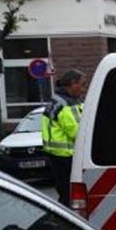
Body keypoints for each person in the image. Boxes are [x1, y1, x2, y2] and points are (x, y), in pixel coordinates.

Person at [42, 70, 86, 206]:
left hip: (56, 156)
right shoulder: (67, 105)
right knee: (70, 197)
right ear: (73, 84)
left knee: (65, 193)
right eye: (82, 84)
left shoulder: (57, 100)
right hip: (67, 157)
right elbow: (79, 134)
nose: (84, 89)